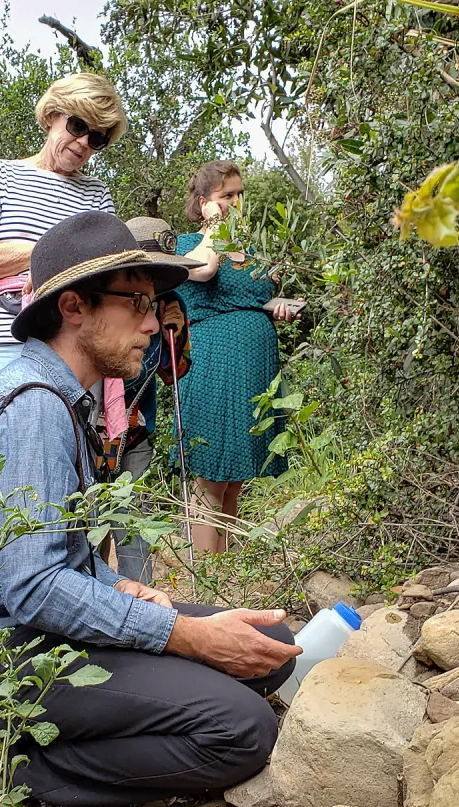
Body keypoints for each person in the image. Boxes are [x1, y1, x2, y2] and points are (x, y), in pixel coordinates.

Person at [0, 212, 300, 807]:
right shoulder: (35, 406)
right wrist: (185, 637)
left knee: (269, 645)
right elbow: (34, 587)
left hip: (41, 633)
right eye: (137, 303)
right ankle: (22, 773)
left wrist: (120, 583)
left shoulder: (65, 399)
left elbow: (47, 552)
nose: (153, 323)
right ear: (74, 308)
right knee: (245, 728)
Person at [174, 161, 304, 556]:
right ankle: (209, 573)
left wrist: (281, 306)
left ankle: (226, 570)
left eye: (239, 194)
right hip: (214, 362)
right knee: (212, 474)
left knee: (234, 480)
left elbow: (252, 302)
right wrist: (214, 225)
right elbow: (204, 270)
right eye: (225, 196)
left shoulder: (254, 254)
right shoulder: (186, 245)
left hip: (253, 368)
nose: (236, 202)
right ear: (203, 203)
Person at [0, 72, 126, 382]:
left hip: (76, 342)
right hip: (7, 337)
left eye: (96, 139)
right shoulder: (0, 174)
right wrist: (48, 254)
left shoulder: (97, 193)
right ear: (52, 114)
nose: (82, 143)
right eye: (77, 125)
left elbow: (108, 268)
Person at [108, 216, 193, 584]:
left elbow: (174, 373)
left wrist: (175, 331)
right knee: (89, 521)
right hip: (96, 431)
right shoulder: (110, 304)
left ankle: (140, 600)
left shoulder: (171, 304)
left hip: (138, 430)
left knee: (133, 523)